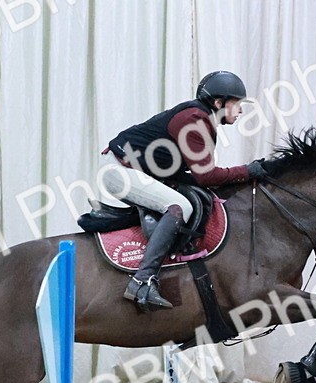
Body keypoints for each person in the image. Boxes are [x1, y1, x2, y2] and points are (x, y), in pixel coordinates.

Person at [101, 70, 267, 311]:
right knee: (179, 207)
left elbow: (200, 176)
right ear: (219, 103)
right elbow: (206, 176)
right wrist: (248, 171)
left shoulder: (202, 119)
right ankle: (142, 280)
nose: (240, 110)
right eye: (237, 104)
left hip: (138, 168)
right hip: (119, 171)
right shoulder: (195, 120)